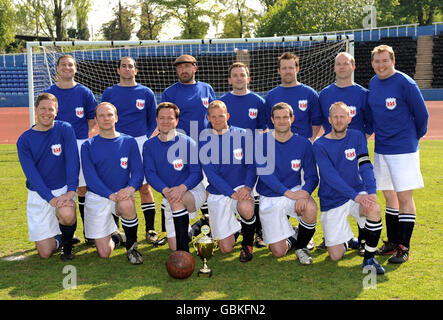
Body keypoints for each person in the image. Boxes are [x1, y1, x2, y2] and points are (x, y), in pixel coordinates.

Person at [368, 45, 429, 264]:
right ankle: (392, 242)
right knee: (388, 195)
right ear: (372, 63)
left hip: (403, 150)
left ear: (393, 61)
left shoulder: (405, 83)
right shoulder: (374, 83)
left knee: (404, 197)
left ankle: (404, 247)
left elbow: (422, 115)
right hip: (382, 148)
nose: (381, 65)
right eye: (377, 61)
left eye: (384, 60)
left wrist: (412, 139)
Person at [313, 102, 385, 274]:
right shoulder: (320, 145)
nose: (338, 120)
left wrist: (371, 192)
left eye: (342, 116)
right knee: (335, 255)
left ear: (349, 118)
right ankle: (347, 241)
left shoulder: (357, 136)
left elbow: (365, 164)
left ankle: (369, 258)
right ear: (329, 120)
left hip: (356, 193)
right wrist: (356, 196)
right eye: (335, 117)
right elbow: (330, 177)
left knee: (373, 209)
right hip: (332, 198)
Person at [317, 52, 373, 253]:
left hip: (355, 151)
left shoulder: (363, 93)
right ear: (334, 67)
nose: (342, 67)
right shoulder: (324, 94)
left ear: (353, 66)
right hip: (332, 151)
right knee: (331, 186)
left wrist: (356, 144)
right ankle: (333, 237)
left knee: (360, 188)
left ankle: (364, 239)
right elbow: (322, 121)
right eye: (338, 64)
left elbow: (370, 122)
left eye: (346, 63)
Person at [101, 56, 159, 244]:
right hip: (115, 143)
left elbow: (152, 119)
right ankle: (116, 231)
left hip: (140, 142)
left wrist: (145, 137)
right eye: (124, 66)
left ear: (136, 70)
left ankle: (150, 229)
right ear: (118, 70)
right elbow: (104, 116)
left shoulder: (146, 92)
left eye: (131, 66)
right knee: (116, 185)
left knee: (144, 186)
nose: (127, 69)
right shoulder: (110, 93)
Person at [17, 93, 79, 261]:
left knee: (66, 213)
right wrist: (50, 199)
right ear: (36, 110)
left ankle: (67, 244)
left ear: (56, 111)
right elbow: (32, 175)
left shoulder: (65, 129)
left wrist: (70, 192)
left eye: (50, 109)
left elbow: (73, 161)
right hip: (40, 194)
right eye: (43, 109)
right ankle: (61, 236)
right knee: (45, 252)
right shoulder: (24, 140)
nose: (46, 112)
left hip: (63, 190)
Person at [81, 102, 144, 265]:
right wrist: (110, 195)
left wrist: (130, 188)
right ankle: (116, 236)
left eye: (109, 115)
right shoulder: (88, 145)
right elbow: (91, 178)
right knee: (104, 253)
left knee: (127, 204)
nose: (106, 118)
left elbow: (137, 172)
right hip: (98, 197)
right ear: (95, 120)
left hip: (121, 195)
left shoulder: (129, 141)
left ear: (116, 118)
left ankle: (132, 247)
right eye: (101, 115)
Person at [256, 102, 319, 264]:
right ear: (272, 120)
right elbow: (265, 175)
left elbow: (312, 176)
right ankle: (295, 234)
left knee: (310, 208)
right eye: (278, 118)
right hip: (270, 195)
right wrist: (291, 194)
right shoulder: (261, 141)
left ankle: (301, 247)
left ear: (292, 119)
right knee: (278, 252)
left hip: (295, 190)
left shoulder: (304, 144)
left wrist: (304, 194)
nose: (282, 121)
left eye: (285, 117)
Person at [43, 54, 97, 244]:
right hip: (55, 148)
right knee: (59, 188)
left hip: (79, 144)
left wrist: (79, 141)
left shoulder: (84, 92)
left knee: (82, 189)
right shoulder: (49, 93)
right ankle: (64, 233)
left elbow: (92, 120)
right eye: (63, 64)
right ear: (57, 68)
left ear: (75, 69)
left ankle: (90, 233)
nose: (67, 67)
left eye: (70, 65)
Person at [143, 102, 207, 252]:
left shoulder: (188, 143)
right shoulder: (149, 145)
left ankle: (183, 253)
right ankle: (202, 224)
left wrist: (181, 189)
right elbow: (150, 174)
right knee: (173, 245)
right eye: (162, 118)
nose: (165, 121)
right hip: (169, 196)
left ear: (177, 121)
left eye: (170, 118)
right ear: (156, 120)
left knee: (179, 246)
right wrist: (166, 191)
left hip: (192, 191)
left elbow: (197, 173)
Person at [161, 54, 215, 227]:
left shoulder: (207, 88)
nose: (183, 70)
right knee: (177, 186)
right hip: (180, 148)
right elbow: (166, 121)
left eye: (187, 66)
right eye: (180, 67)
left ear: (195, 68)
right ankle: (169, 227)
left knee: (209, 185)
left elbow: (214, 116)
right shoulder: (169, 92)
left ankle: (208, 225)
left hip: (207, 146)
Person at [200, 100, 257, 262]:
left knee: (246, 206)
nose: (217, 120)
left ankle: (247, 244)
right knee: (225, 249)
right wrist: (231, 193)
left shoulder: (243, 135)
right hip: (220, 191)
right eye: (213, 117)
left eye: (221, 116)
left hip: (241, 187)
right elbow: (211, 175)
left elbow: (251, 165)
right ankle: (239, 227)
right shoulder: (204, 141)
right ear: (208, 118)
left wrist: (247, 187)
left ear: (228, 116)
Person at [219, 62, 267, 248]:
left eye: (242, 75)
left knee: (254, 194)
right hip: (227, 158)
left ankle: (259, 231)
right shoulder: (223, 102)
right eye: (235, 75)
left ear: (248, 78)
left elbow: (263, 130)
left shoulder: (258, 101)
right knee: (231, 194)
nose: (239, 78)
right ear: (230, 79)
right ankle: (235, 229)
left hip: (251, 157)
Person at [264, 52, 322, 142]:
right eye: (284, 68)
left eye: (291, 68)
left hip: (303, 147)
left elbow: (317, 121)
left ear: (297, 69)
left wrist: (310, 141)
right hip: (279, 147)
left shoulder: (310, 94)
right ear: (279, 70)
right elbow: (269, 124)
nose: (288, 71)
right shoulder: (271, 96)